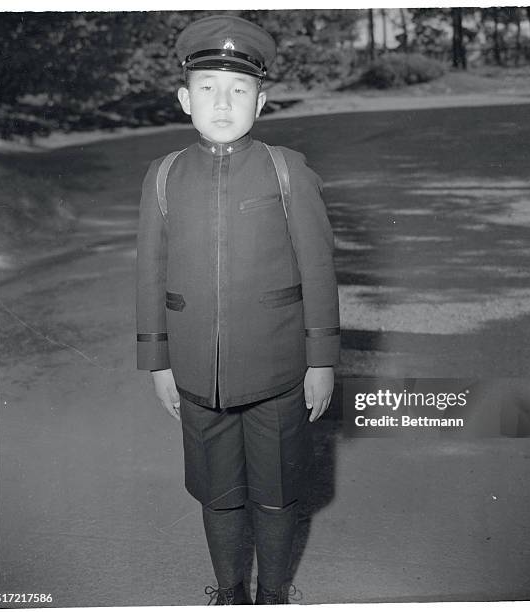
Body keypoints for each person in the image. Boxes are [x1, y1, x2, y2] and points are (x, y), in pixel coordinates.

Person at [135, 14, 340, 605]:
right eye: (206, 89)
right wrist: (159, 363)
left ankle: (273, 593)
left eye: (239, 91)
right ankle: (229, 591)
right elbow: (149, 276)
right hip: (197, 378)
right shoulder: (163, 177)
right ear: (183, 99)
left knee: (275, 490)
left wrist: (321, 360)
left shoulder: (285, 171)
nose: (221, 103)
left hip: (279, 374)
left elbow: (320, 271)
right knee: (216, 491)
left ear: (262, 101)